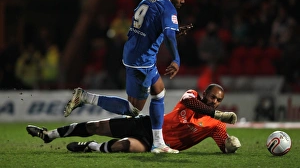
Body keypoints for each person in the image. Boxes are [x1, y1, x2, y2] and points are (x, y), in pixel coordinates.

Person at [63, 0, 190, 153]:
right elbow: (168, 35)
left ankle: (158, 143)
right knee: (133, 109)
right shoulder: (169, 8)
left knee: (159, 92)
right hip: (142, 61)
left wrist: (174, 31)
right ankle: (85, 97)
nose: (183, 1)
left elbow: (149, 26)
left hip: (133, 53)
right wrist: (176, 59)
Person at [27, 84, 241, 154]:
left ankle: (91, 147)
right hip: (148, 124)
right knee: (97, 125)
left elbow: (224, 145)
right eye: (212, 97)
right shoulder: (193, 96)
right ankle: (49, 134)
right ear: (205, 94)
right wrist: (218, 114)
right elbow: (190, 104)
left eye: (218, 100)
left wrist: (231, 144)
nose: (214, 102)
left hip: (156, 144)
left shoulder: (216, 125)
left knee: (124, 146)